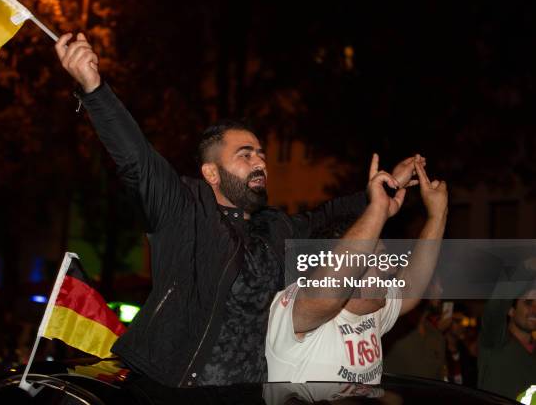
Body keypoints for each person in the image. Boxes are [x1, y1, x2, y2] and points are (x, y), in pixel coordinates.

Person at [54, 32, 421, 387]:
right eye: (245, 155)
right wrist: (95, 90)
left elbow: (328, 214)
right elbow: (137, 160)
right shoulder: (185, 211)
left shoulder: (275, 229)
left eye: (261, 153)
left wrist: (388, 186)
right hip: (169, 389)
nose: (259, 161)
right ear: (211, 172)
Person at [266, 160, 448, 383]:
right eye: (379, 259)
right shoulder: (300, 314)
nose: (390, 266)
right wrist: (377, 208)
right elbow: (328, 292)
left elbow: (411, 284)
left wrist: (437, 216)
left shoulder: (371, 310)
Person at [478, 278, 536, 399]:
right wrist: (524, 267)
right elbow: (494, 309)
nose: (535, 310)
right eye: (528, 303)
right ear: (511, 310)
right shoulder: (495, 341)